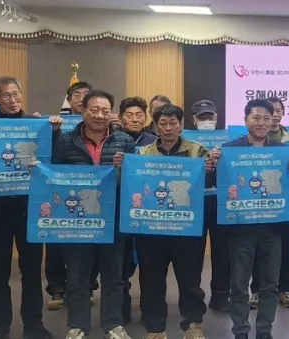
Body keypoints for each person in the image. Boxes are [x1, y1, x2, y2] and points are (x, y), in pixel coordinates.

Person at [52, 89, 137, 339]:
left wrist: (126, 168)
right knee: (77, 277)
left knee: (114, 277)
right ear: (83, 111)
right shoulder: (66, 141)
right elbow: (55, 177)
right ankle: (78, 326)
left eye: (105, 111)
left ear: (111, 113)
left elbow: (135, 181)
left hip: (113, 220)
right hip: (77, 221)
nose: (100, 115)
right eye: (94, 110)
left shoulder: (124, 141)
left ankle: (113, 324)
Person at [205, 99, 284, 339]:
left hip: (272, 229)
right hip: (240, 231)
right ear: (246, 119)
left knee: (270, 286)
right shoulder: (229, 150)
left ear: (273, 121)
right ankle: (240, 331)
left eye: (266, 118)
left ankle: (264, 331)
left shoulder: (282, 150)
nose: (261, 123)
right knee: (238, 286)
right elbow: (212, 184)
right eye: (256, 117)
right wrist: (212, 166)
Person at [133, 104, 209, 339]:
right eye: (163, 123)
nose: (168, 128)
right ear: (156, 126)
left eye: (173, 123)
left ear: (181, 124)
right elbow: (135, 185)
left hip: (187, 227)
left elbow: (209, 185)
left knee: (190, 279)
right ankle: (155, 328)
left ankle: (193, 324)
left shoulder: (198, 151)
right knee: (151, 279)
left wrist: (211, 169)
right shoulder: (142, 154)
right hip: (152, 229)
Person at [0, 76, 61, 339]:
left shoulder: (37, 125)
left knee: (32, 271)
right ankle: (0, 325)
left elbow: (55, 159)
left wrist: (54, 132)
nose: (13, 99)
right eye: (6, 95)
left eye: (16, 94)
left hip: (29, 210)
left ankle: (34, 325)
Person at [49, 82, 96, 310]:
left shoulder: (102, 125)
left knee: (91, 241)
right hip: (61, 191)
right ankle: (57, 289)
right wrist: (51, 130)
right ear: (68, 100)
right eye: (77, 94)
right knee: (57, 242)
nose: (81, 98)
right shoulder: (56, 123)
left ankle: (88, 287)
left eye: (86, 94)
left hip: (90, 192)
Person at [250, 96, 289, 310]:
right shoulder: (249, 141)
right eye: (271, 112)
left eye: (278, 111)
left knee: (287, 248)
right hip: (256, 204)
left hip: (284, 204)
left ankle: (283, 288)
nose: (275, 115)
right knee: (256, 249)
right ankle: (257, 290)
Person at [117, 97, 158, 324]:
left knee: (150, 265)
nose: (134, 119)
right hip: (121, 210)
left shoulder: (155, 142)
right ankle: (121, 310)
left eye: (139, 115)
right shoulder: (112, 140)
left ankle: (149, 310)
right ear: (120, 117)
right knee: (121, 266)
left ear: (146, 117)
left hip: (148, 211)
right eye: (129, 115)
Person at [189, 99, 231, 312]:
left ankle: (221, 297)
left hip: (221, 202)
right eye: (202, 117)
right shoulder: (185, 143)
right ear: (194, 120)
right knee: (193, 255)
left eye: (210, 116)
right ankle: (193, 298)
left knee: (223, 253)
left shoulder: (229, 141)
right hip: (195, 203)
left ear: (216, 118)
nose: (206, 120)